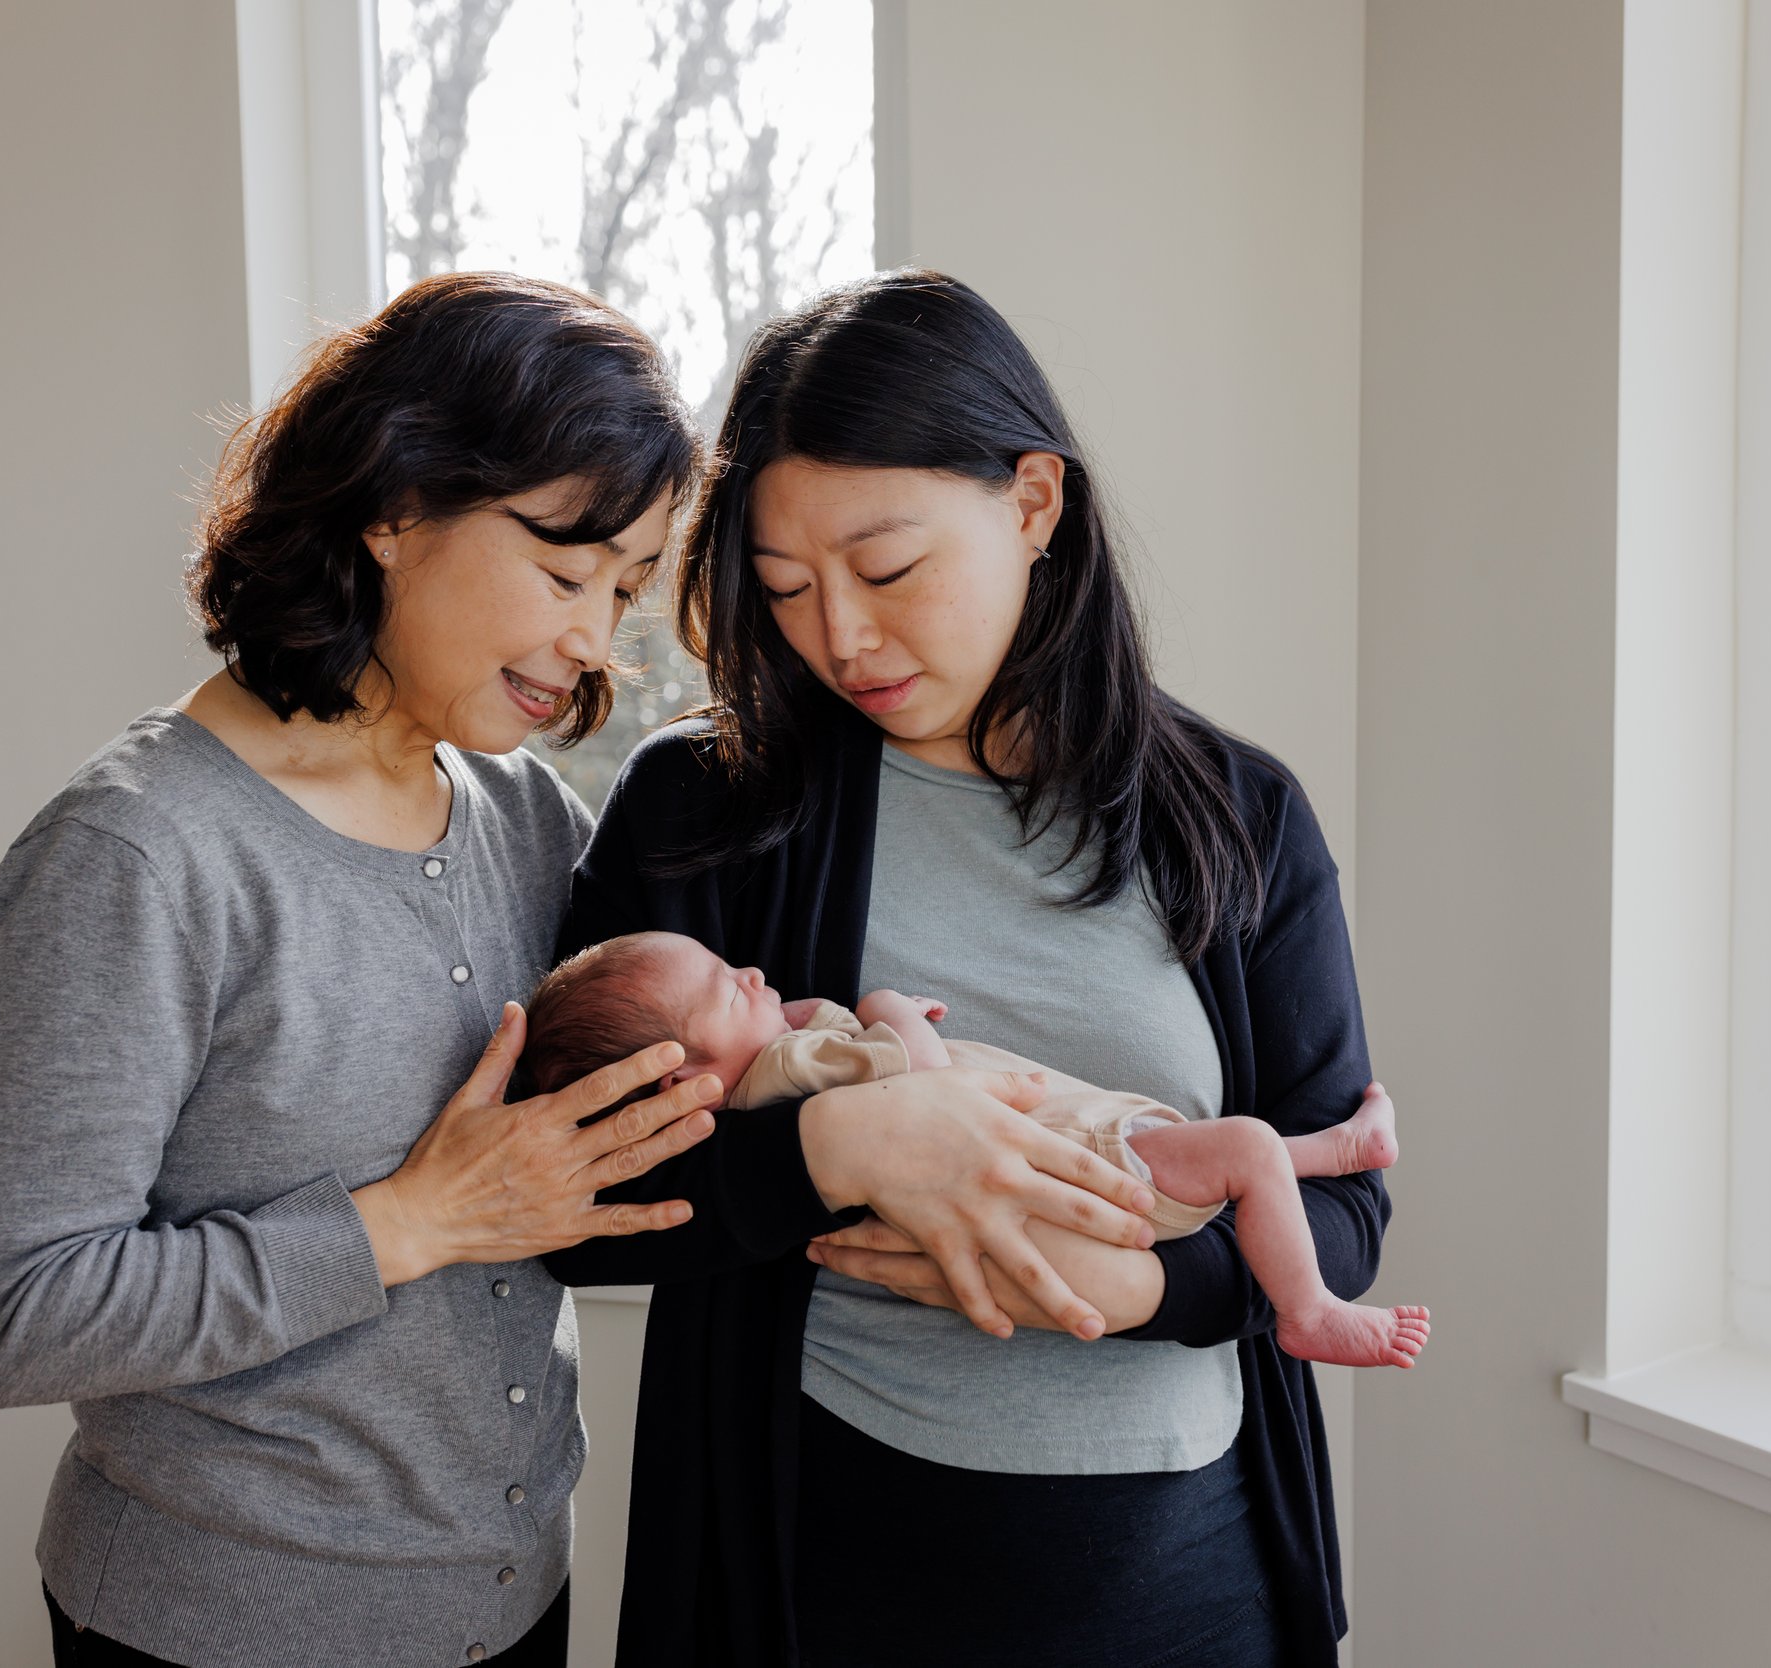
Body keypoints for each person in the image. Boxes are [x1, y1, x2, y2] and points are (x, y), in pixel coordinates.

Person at [541, 269, 1395, 1667]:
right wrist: (836, 1142)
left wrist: (1140, 1295)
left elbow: (1344, 1202)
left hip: (1192, 1588)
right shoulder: (709, 807)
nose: (841, 637)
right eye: (786, 588)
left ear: (1034, 503)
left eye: (887, 571)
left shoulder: (1238, 816)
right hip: (824, 1579)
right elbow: (573, 1203)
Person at [0, 272, 732, 1668]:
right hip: (218, 1630)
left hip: (512, 1604)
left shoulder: (531, 823)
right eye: (561, 569)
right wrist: (406, 1223)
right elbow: (12, 1318)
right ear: (396, 502)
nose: (594, 642)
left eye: (623, 590)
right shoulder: (134, 857)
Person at [521, 930, 1426, 1370]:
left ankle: (1334, 1150)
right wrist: (887, 1004)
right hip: (1079, 1159)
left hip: (1073, 1173)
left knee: (1236, 1159)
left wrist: (1150, 1292)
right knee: (1245, 1153)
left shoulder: (766, 1076)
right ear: (686, 1084)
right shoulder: (793, 1063)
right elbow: (920, 1080)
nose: (752, 972)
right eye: (728, 990)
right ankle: (1307, 1306)